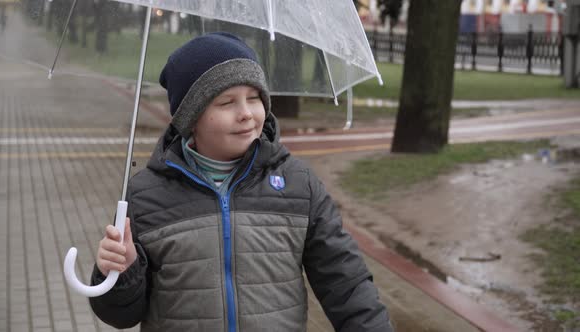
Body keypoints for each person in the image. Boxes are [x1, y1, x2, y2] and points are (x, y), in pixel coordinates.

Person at [89, 32, 394, 332]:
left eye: (254, 98)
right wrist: (121, 271)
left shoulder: (298, 185)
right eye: (227, 102)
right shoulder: (146, 196)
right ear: (191, 117)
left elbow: (347, 284)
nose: (246, 114)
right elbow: (121, 315)